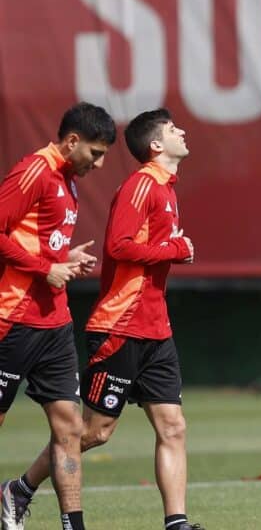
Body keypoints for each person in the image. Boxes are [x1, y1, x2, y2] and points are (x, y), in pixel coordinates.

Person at [4, 109, 201, 530]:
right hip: (119, 325)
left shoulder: (165, 189)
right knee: (93, 432)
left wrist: (60, 258)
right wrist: (175, 250)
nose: (182, 131)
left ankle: (177, 522)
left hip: (154, 326)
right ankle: (20, 488)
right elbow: (121, 246)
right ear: (156, 145)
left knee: (173, 425)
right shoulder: (139, 186)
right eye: (172, 129)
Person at [0, 102, 116, 530]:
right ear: (72, 141)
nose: (99, 163)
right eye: (96, 153)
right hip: (11, 318)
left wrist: (63, 258)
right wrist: (45, 267)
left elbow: (34, 243)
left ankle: (73, 524)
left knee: (69, 428)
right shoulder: (34, 170)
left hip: (54, 322)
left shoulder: (68, 179)